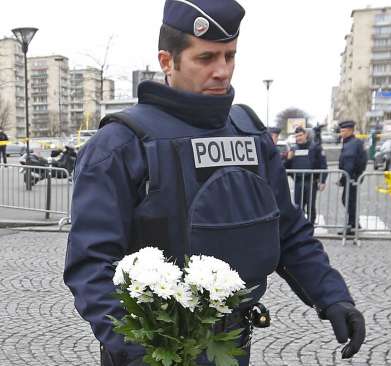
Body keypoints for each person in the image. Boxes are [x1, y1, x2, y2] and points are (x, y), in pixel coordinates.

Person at [63, 1, 365, 365]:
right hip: (152, 348)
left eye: (229, 56)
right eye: (206, 58)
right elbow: (91, 265)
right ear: (166, 61)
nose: (222, 71)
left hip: (232, 345)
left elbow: (286, 229)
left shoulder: (250, 133)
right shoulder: (120, 145)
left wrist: (332, 296)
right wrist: (144, 351)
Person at [285, 127, 327, 224]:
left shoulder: (315, 147)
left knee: (310, 205)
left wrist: (322, 180)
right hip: (298, 181)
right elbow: (286, 166)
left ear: (305, 135)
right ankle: (300, 225)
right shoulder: (293, 149)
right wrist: (288, 159)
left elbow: (323, 165)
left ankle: (311, 224)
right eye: (296, 136)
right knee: (298, 206)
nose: (298, 138)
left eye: (300, 135)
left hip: (311, 181)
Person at [337, 120, 367, 235]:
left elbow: (349, 164)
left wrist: (344, 179)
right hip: (353, 176)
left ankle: (352, 225)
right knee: (348, 200)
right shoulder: (352, 142)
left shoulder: (352, 143)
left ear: (350, 131)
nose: (341, 133)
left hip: (352, 177)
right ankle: (354, 223)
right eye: (341, 130)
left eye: (343, 131)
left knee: (348, 200)